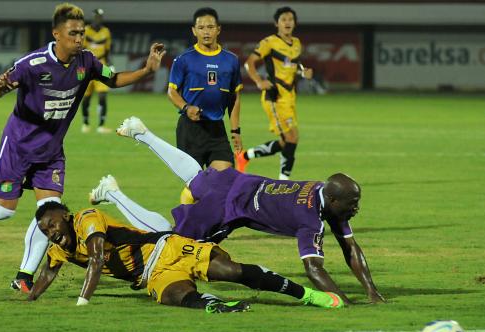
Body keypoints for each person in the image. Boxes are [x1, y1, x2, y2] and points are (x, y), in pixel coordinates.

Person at [0, 3, 166, 293]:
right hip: (19, 147)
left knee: (50, 214)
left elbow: (112, 79)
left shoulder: (86, 61)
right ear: (57, 34)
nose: (79, 39)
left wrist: (147, 70)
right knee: (3, 212)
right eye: (73, 33)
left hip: (50, 152)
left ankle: (24, 275)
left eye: (82, 33)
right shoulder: (32, 64)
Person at [88, 116, 385, 305]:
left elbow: (350, 246)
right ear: (334, 202)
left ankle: (143, 134)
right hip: (230, 206)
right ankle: (113, 192)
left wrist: (371, 290)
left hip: (238, 180)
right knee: (168, 239)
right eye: (352, 204)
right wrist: (340, 299)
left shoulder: (324, 189)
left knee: (195, 178)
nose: (356, 209)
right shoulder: (311, 219)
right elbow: (313, 268)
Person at [27, 201, 343, 312]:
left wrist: (83, 301)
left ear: (67, 216)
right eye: (45, 230)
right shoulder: (59, 249)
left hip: (168, 248)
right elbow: (47, 273)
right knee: (176, 296)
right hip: (151, 275)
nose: (51, 232)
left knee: (230, 271)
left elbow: (96, 258)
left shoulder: (87, 218)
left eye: (53, 223)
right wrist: (31, 299)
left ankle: (309, 295)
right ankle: (216, 306)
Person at [167, 7, 243, 203]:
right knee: (195, 186)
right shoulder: (184, 59)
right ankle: (186, 225)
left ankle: (214, 228)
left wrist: (235, 131)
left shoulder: (231, 60)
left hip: (216, 129)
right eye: (201, 27)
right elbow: (171, 92)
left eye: (210, 27)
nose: (206, 31)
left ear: (218, 29)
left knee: (226, 181)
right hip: (190, 130)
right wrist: (186, 108)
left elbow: (234, 98)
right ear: (194, 31)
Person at [235, 6, 313, 180]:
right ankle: (283, 182)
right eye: (283, 19)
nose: (287, 22)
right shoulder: (269, 42)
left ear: (295, 23)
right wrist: (258, 81)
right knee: (292, 137)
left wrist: (303, 72)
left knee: (286, 141)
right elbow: (249, 63)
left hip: (290, 97)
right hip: (274, 96)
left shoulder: (297, 43)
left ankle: (245, 156)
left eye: (290, 19)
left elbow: (293, 66)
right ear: (276, 23)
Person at [81, 8, 113, 134]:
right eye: (96, 17)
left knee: (102, 96)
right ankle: (85, 123)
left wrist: (110, 64)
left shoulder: (106, 31)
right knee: (85, 97)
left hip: (102, 66)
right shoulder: (86, 31)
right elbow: (80, 50)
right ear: (93, 17)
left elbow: (107, 50)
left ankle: (101, 125)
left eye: (100, 17)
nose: (98, 19)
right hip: (87, 67)